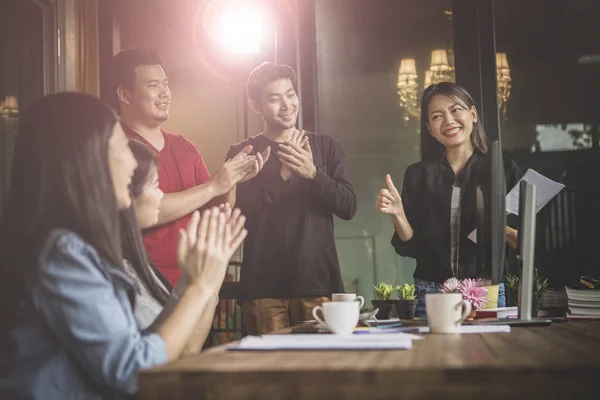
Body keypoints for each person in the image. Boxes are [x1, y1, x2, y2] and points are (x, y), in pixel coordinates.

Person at [0, 93, 247, 398]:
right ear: (87, 157)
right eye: (121, 146)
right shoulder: (63, 252)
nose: (132, 162)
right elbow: (133, 370)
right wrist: (198, 288)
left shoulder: (76, 248)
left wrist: (190, 282)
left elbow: (142, 344)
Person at [109, 48, 269, 285]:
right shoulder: (115, 146)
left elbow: (214, 211)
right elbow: (137, 212)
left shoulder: (184, 147)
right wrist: (214, 185)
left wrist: (230, 183)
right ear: (125, 94)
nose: (165, 93)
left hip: (189, 281)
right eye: (154, 86)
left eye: (166, 84)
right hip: (140, 285)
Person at [227, 62, 357, 335]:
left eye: (290, 94)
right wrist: (282, 177)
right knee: (269, 373)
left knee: (320, 373)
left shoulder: (325, 146)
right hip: (263, 288)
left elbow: (348, 206)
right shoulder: (244, 151)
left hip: (317, 283)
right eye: (274, 98)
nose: (286, 104)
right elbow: (237, 215)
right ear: (256, 104)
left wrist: (312, 173)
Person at [375, 82, 521, 316]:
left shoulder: (503, 170)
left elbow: (522, 243)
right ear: (430, 129)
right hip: (431, 292)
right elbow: (412, 248)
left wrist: (500, 230)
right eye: (437, 116)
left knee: (492, 352)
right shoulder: (417, 175)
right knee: (435, 354)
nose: (449, 120)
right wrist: (398, 214)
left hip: (487, 291)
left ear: (472, 114)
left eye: (455, 110)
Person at [121, 139, 221, 352]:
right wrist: (203, 285)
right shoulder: (113, 269)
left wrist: (201, 282)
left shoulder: (137, 265)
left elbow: (187, 349)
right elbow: (170, 356)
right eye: (156, 186)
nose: (161, 196)